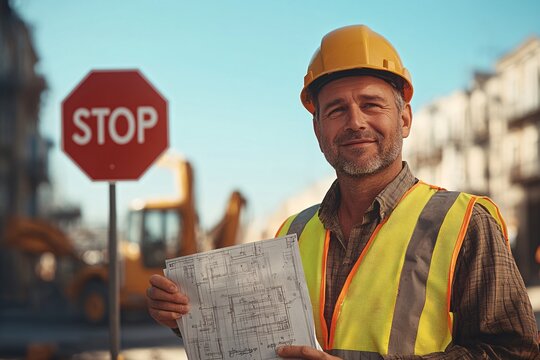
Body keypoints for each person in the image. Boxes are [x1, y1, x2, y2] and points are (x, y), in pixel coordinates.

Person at [146, 25, 540, 359]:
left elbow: (512, 350)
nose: (355, 122)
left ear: (404, 119)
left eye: (372, 104)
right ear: (318, 130)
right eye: (336, 110)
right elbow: (260, 341)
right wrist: (188, 317)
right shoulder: (293, 233)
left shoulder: (465, 223)